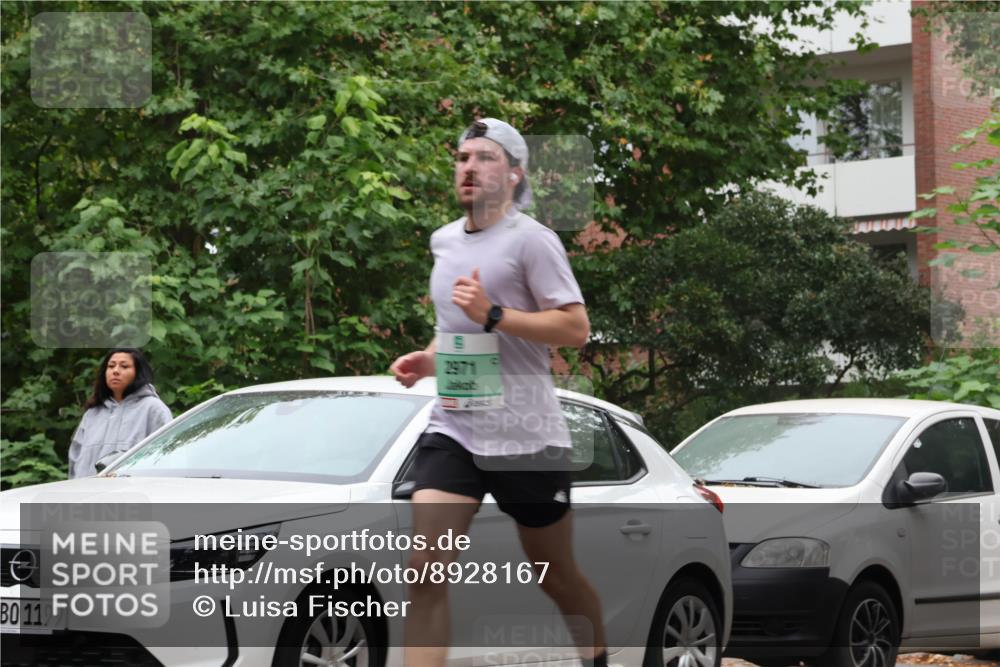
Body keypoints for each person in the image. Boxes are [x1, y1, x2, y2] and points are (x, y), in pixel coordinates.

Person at [389, 119, 610, 667]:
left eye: (484, 158)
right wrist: (427, 360)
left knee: (554, 577)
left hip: (526, 436)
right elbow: (454, 333)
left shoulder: (533, 241)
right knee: (425, 571)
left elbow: (575, 329)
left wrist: (494, 314)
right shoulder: (442, 240)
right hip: (457, 425)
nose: (469, 167)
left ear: (514, 173)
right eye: (462, 158)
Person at [68, 348, 172, 478]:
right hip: (86, 494)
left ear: (138, 372)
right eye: (111, 366)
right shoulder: (92, 413)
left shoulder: (153, 409)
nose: (115, 371)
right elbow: (75, 460)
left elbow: (166, 456)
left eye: (124, 366)